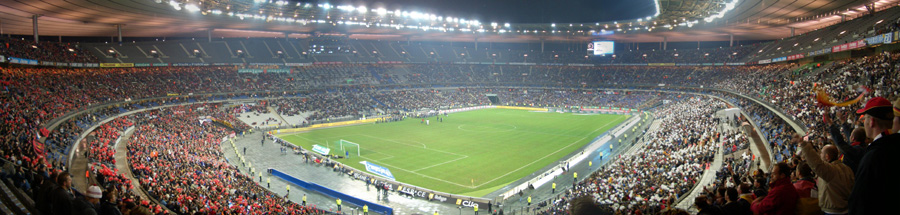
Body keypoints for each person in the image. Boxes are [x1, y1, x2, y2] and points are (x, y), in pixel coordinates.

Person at [848, 97, 900, 215]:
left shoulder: (873, 156)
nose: (863, 122)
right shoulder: (894, 145)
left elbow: (859, 202)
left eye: (865, 118)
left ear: (871, 121)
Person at [796, 135, 854, 215]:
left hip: (834, 211)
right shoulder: (847, 168)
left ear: (827, 157)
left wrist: (803, 144)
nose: (820, 155)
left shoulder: (830, 171)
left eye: (821, 153)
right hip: (846, 208)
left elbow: (816, 163)